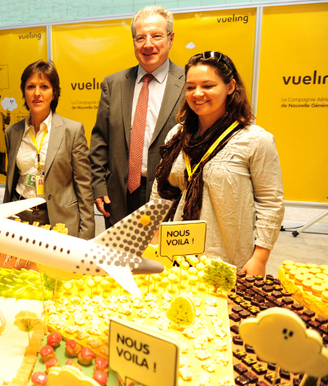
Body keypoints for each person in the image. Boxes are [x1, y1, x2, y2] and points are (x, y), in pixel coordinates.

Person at [151, 51, 284, 276]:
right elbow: (161, 192)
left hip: (225, 259)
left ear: (230, 87)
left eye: (208, 86)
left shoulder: (255, 139)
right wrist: (153, 239)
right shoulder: (177, 135)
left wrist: (260, 258)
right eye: (191, 87)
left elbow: (271, 203)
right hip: (173, 256)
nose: (197, 93)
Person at [90, 5, 185, 228]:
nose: (148, 44)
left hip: (169, 195)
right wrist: (99, 186)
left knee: (160, 261)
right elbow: (100, 142)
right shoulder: (113, 84)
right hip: (118, 196)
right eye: (140, 37)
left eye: (156, 36)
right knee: (118, 258)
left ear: (170, 39)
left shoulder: (189, 83)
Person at [3, 60, 95, 240]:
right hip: (20, 216)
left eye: (44, 86)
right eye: (31, 87)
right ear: (24, 92)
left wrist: (87, 236)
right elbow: (13, 181)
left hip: (59, 219)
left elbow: (84, 187)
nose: (37, 93)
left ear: (54, 93)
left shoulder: (72, 130)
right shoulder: (12, 132)